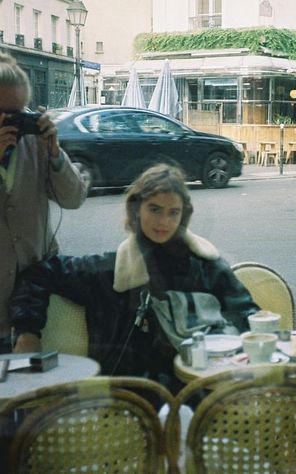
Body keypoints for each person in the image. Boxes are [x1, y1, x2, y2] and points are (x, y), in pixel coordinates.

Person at [10, 163, 259, 392]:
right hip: (134, 397)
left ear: (183, 215)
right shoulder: (110, 270)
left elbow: (247, 313)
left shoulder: (206, 265)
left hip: (206, 390)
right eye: (155, 209)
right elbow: (39, 273)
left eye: (173, 212)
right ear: (136, 208)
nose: (164, 221)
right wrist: (27, 332)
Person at [0, 52, 87, 353]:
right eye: (4, 114)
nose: (12, 123)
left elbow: (74, 198)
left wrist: (54, 153)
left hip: (34, 298)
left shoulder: (33, 142)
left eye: (19, 114)